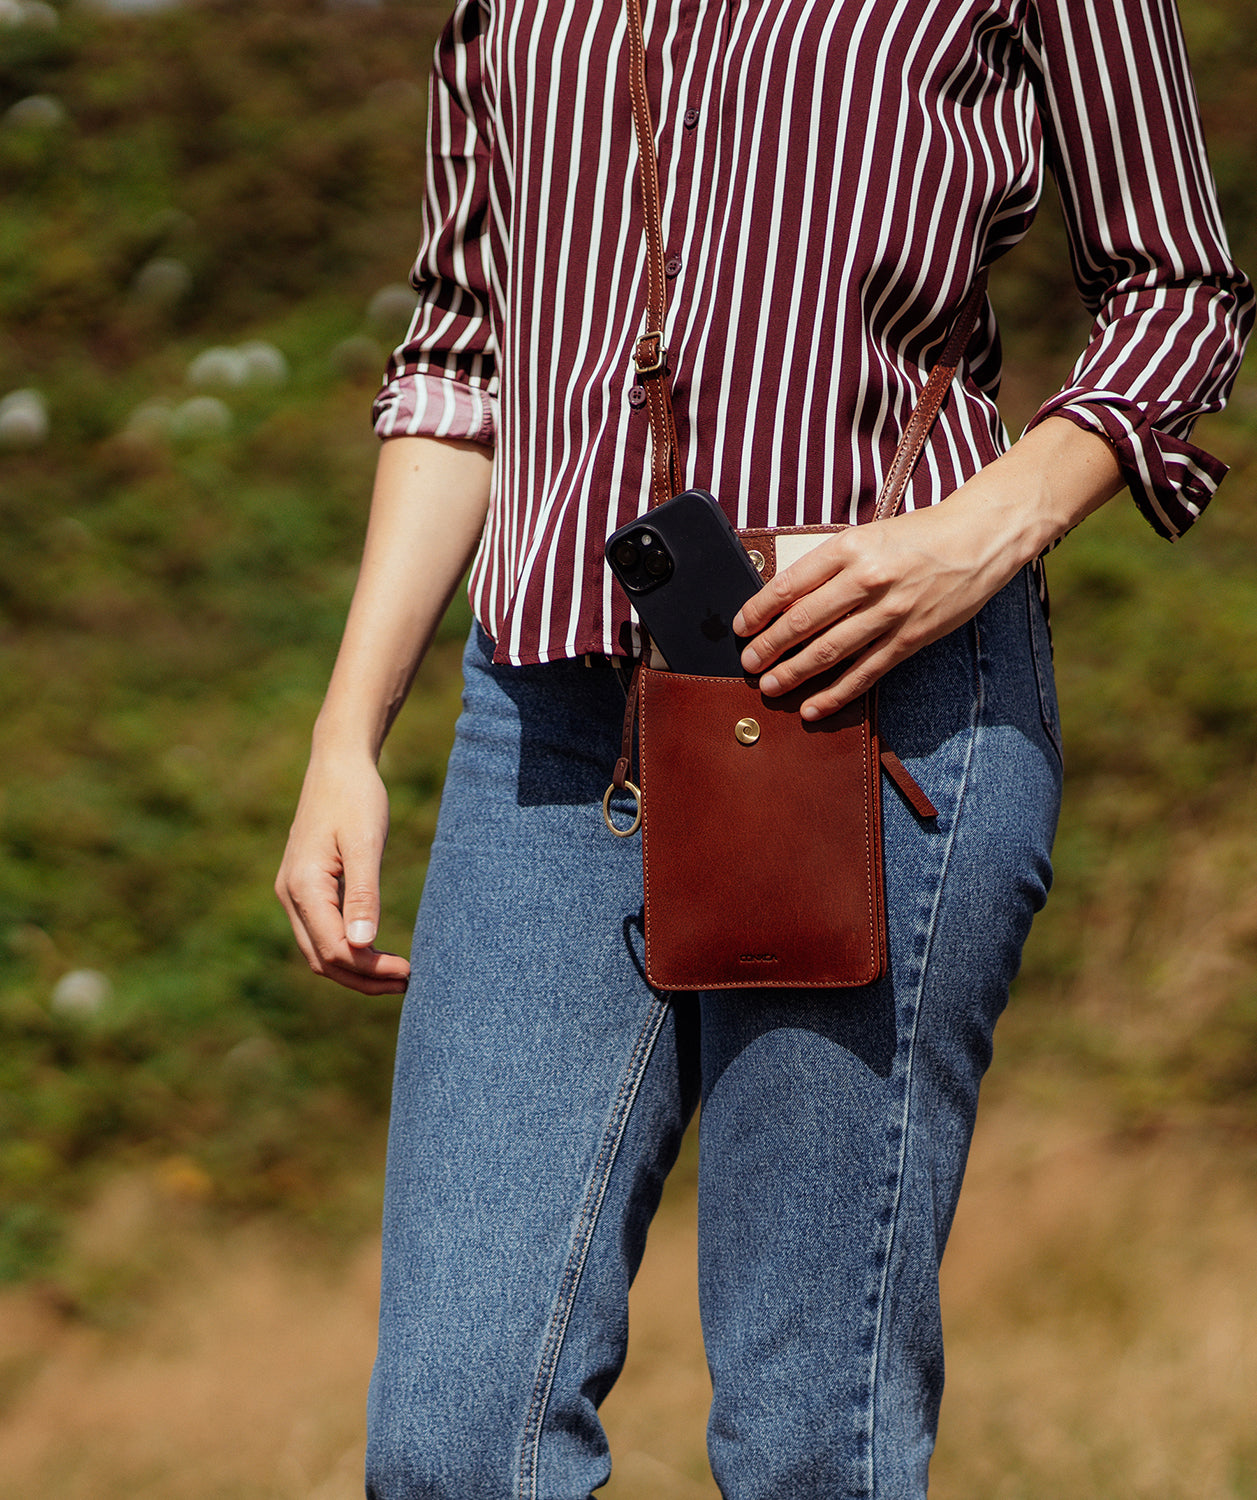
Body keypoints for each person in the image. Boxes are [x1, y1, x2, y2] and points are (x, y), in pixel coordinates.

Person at [276, 1, 1252, 1494]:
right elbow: (464, 353)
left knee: (811, 1440)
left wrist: (968, 536)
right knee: (451, 1442)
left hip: (867, 710)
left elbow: (1177, 288)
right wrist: (348, 735)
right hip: (547, 718)